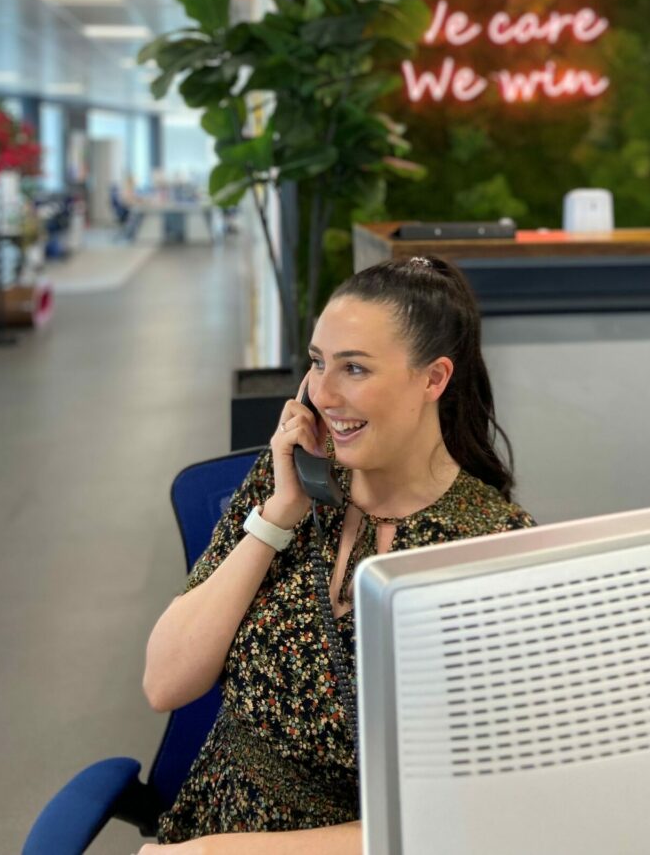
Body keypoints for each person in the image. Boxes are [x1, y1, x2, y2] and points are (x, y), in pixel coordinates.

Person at [139, 255, 536, 854]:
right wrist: (278, 517)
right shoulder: (285, 491)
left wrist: (223, 853)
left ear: (433, 379)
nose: (323, 394)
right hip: (213, 816)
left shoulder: (491, 550)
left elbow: (469, 813)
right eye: (318, 363)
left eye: (354, 368)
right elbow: (164, 682)